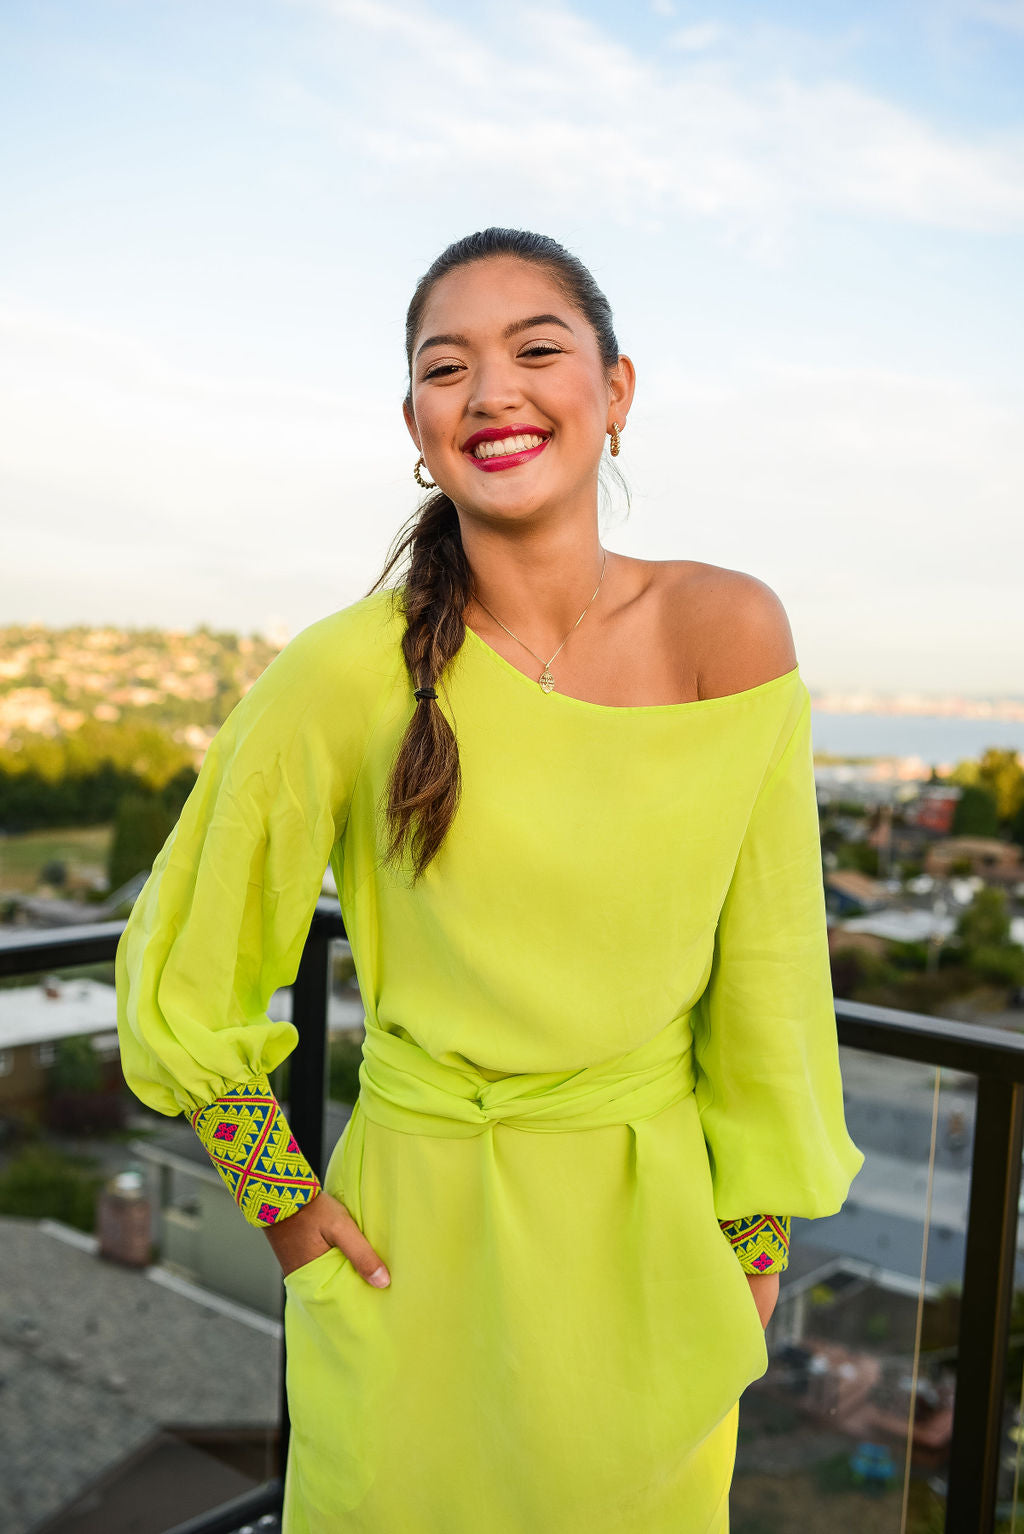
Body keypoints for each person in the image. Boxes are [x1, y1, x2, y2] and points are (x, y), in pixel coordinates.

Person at [115, 226, 865, 1533]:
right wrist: (286, 1214)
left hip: (651, 1252)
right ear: (417, 422)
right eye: (446, 365)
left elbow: (771, 974)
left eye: (537, 348)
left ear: (615, 392)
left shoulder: (729, 631)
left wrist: (753, 1243)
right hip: (415, 1253)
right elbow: (187, 972)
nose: (493, 391)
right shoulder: (340, 673)